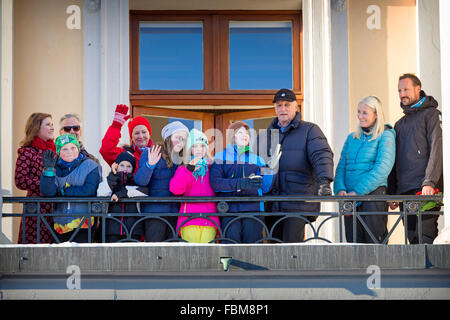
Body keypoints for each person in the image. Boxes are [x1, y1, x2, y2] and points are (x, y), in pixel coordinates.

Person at [263, 88, 334, 243]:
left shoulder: (310, 130)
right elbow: (256, 164)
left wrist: (325, 181)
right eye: (279, 105)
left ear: (296, 107)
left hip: (298, 202)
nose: (283, 109)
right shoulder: (266, 135)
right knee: (273, 251)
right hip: (272, 204)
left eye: (287, 105)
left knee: (292, 251)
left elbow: (321, 156)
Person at [388, 73, 443, 244]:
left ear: (418, 89)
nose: (402, 94)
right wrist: (393, 193)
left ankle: (432, 271)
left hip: (425, 190)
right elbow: (393, 160)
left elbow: (437, 148)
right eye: (399, 90)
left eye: (406, 89)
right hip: (405, 192)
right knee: (412, 239)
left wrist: (429, 182)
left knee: (425, 238)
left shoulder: (432, 114)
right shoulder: (399, 124)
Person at [334, 96, 396, 243]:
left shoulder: (385, 136)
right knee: (353, 245)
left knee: (374, 244)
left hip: (372, 197)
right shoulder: (352, 138)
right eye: (359, 112)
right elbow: (341, 166)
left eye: (365, 113)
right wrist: (340, 190)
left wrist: (358, 192)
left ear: (376, 114)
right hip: (349, 198)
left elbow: (383, 168)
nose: (360, 116)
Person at [210, 121, 273, 244]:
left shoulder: (258, 159)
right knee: (230, 249)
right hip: (229, 211)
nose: (245, 136)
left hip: (253, 210)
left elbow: (265, 188)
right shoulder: (220, 156)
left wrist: (270, 170)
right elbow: (216, 183)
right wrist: (240, 183)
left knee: (253, 250)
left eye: (247, 133)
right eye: (240, 132)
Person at [40, 134, 102, 243]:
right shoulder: (55, 168)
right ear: (59, 152)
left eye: (73, 147)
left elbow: (89, 190)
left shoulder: (91, 165)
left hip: (84, 222)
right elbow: (48, 192)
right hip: (61, 223)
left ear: (78, 148)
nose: (69, 152)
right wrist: (48, 170)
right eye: (64, 149)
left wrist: (64, 192)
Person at [134, 121, 189, 242]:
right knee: (155, 251)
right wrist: (150, 165)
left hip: (177, 212)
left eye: (183, 139)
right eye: (177, 138)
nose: (181, 142)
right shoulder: (152, 152)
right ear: (169, 138)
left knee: (174, 252)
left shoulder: (185, 157)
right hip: (155, 212)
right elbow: (140, 181)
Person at [169, 128, 220, 243]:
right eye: (194, 146)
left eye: (201, 146)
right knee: (191, 256)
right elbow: (175, 189)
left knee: (207, 256)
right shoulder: (183, 168)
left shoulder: (213, 167)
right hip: (189, 219)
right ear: (189, 149)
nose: (198, 150)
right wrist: (189, 170)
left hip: (209, 219)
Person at [15, 113, 56, 244]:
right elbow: (20, 180)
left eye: (52, 124)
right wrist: (46, 184)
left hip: (55, 208)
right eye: (48, 124)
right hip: (36, 209)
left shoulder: (55, 150)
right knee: (34, 250)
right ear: (36, 127)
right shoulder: (27, 152)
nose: (52, 128)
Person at [97, 151, 147, 242]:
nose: (125, 169)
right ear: (116, 166)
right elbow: (101, 193)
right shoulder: (110, 181)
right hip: (112, 230)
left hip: (133, 230)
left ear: (133, 168)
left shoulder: (136, 182)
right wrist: (113, 175)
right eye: (122, 165)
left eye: (129, 166)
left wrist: (122, 194)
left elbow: (144, 191)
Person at [100, 104, 153, 170]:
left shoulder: (158, 154)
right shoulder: (125, 155)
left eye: (144, 132)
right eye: (136, 133)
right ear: (132, 137)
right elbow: (106, 151)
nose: (141, 136)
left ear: (149, 134)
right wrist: (116, 126)